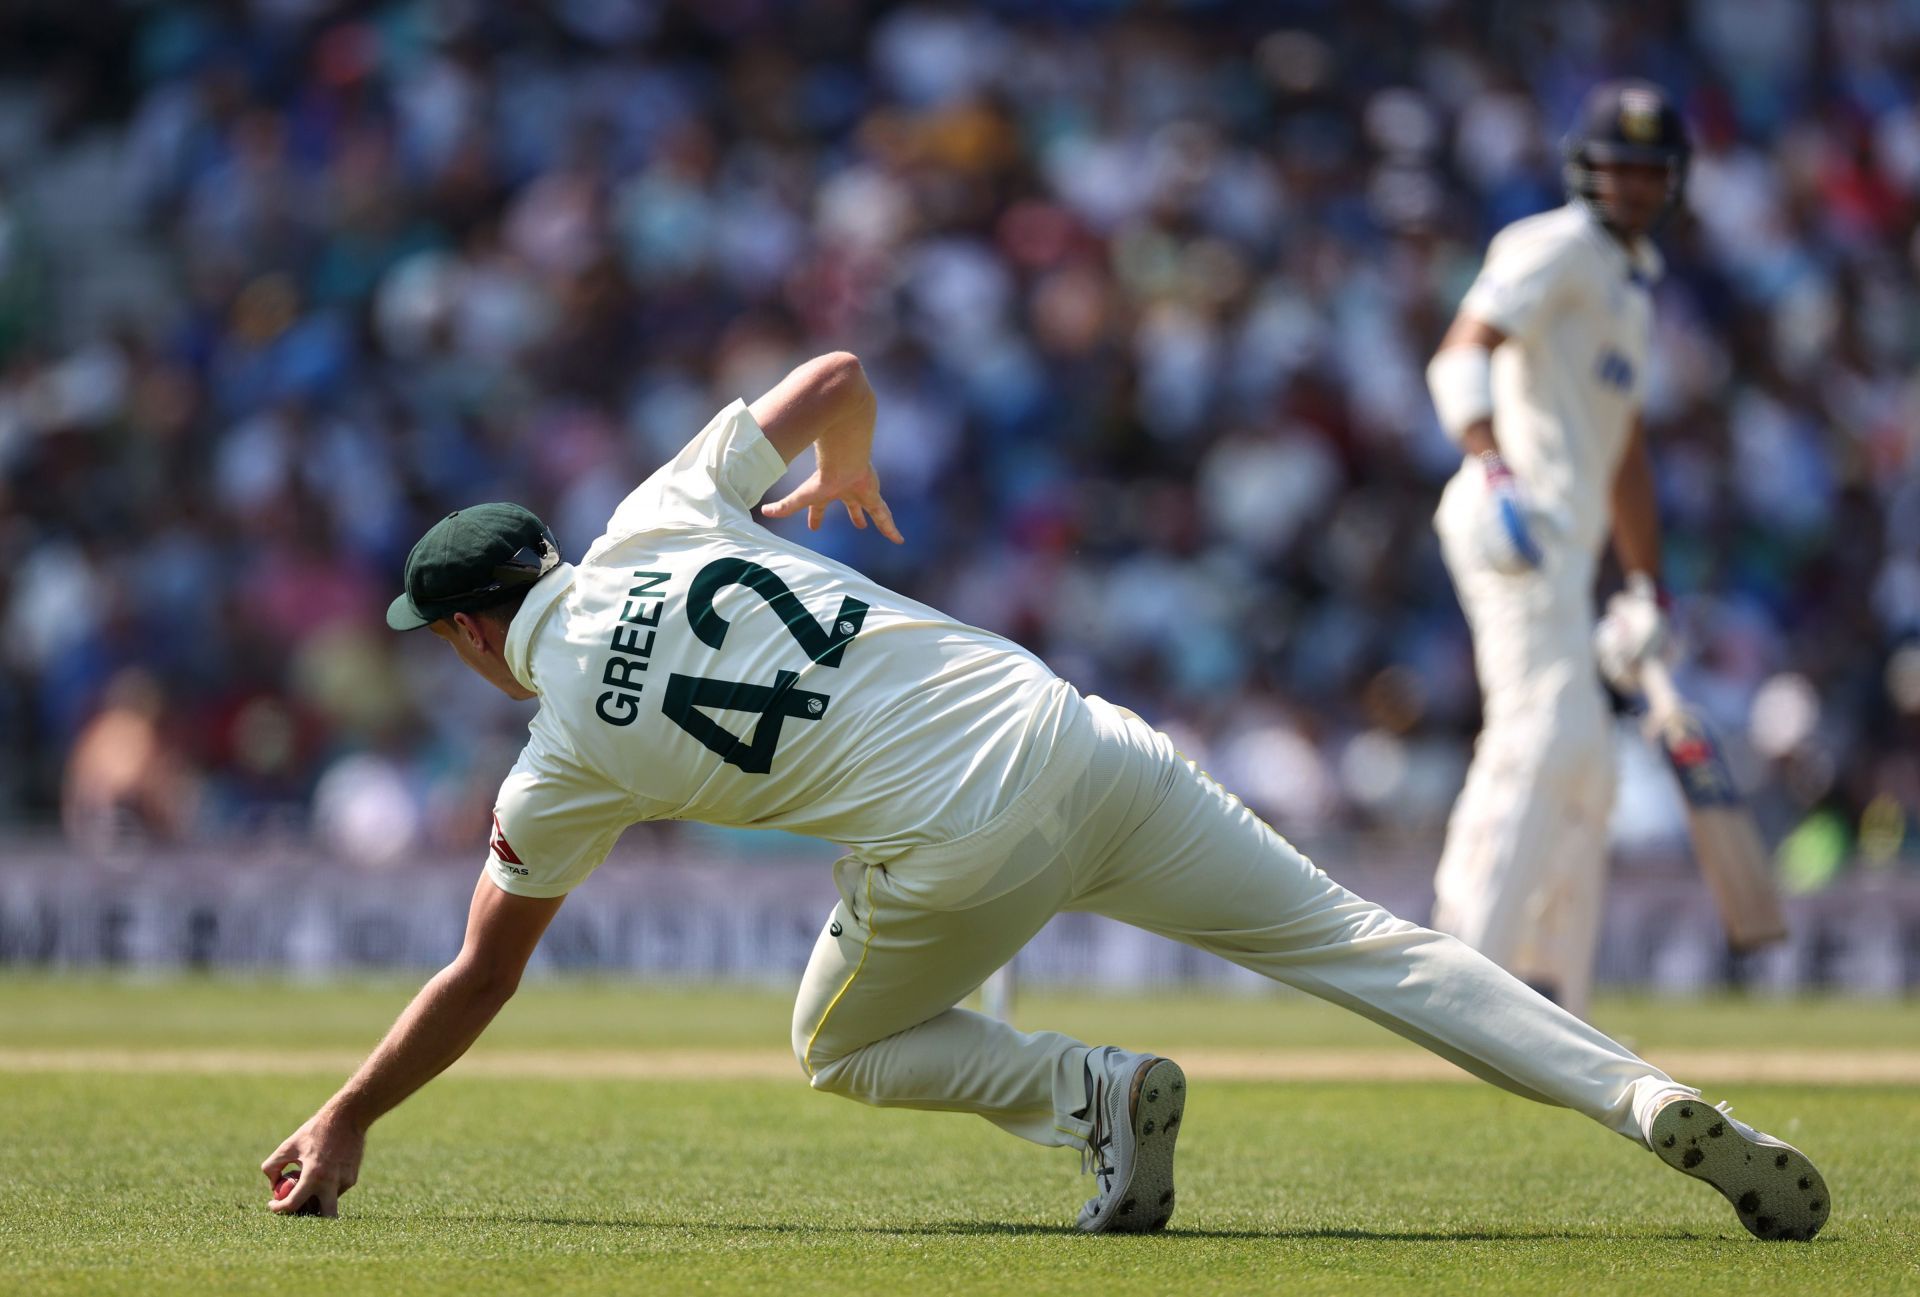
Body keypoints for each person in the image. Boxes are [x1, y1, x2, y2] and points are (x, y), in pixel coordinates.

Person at [261, 351, 1827, 1241]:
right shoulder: (654, 518)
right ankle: (1642, 1097)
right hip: (1080, 734)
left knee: (837, 1040)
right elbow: (836, 371)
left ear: (474, 631)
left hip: (955, 846)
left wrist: (346, 1112)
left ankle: (1085, 1092)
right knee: (1370, 944)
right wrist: (850, 464)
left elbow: (482, 972)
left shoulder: (559, 759)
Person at [1425, 81, 1688, 1019]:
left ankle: (1545, 989)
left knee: (1589, 754)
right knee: (1543, 727)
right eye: (1620, 166)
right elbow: (1459, 351)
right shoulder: (1551, 245)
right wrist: (1490, 463)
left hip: (1568, 550)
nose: (1635, 185)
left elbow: (1626, 454)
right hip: (1512, 520)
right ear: (1587, 169)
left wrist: (1648, 585)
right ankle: (1457, 970)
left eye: (1652, 170)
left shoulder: (1632, 287)